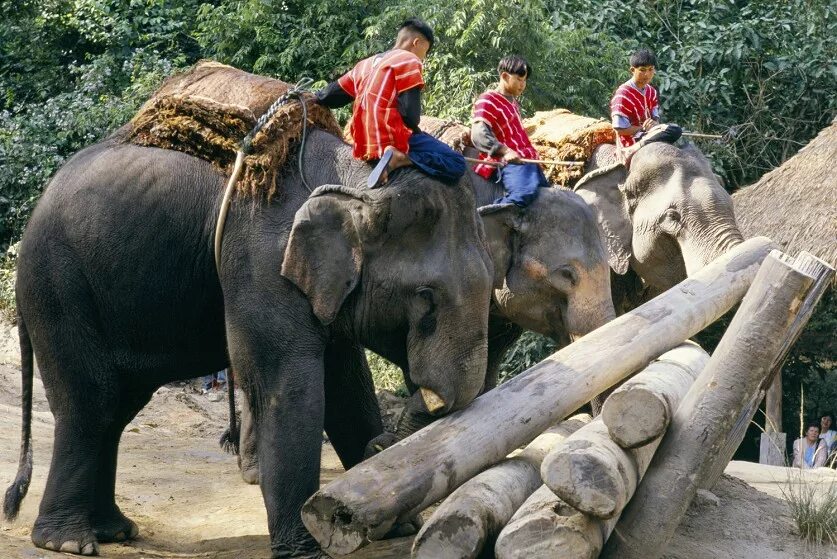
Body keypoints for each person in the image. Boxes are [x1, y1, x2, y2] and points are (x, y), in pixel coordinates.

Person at [315, 18, 465, 188]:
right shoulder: (409, 60)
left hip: (363, 144)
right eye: (426, 52)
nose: (424, 59)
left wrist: (312, 95)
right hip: (390, 139)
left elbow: (329, 96)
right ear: (417, 43)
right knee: (457, 163)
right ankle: (400, 158)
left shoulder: (364, 64)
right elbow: (410, 116)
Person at [469, 55, 548, 207]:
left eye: (525, 80)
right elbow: (478, 133)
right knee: (522, 194)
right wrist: (505, 151)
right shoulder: (488, 99)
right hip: (508, 163)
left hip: (527, 161)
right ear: (504, 76)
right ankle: (491, 219)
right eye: (519, 79)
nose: (523, 84)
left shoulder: (513, 103)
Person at [610, 48, 682, 163]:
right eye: (642, 70)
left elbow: (655, 120)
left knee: (676, 130)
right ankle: (631, 150)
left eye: (651, 69)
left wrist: (654, 125)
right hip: (632, 139)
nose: (647, 74)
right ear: (632, 70)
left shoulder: (651, 91)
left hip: (649, 135)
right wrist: (643, 128)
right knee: (674, 130)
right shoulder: (622, 94)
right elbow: (620, 129)